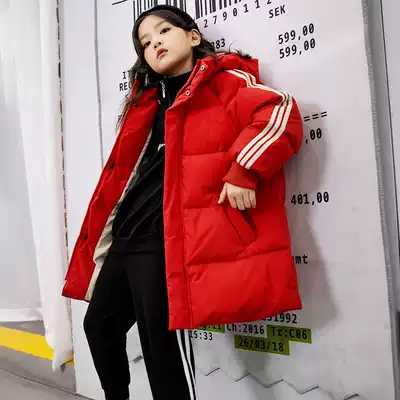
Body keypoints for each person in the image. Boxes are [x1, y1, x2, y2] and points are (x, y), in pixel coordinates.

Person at [62, 5, 303, 400]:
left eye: (163, 32)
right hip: (127, 234)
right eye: (145, 43)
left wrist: (244, 169)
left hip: (167, 238)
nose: (154, 43)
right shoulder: (145, 102)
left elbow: (279, 111)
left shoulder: (224, 81)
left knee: (160, 346)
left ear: (192, 36)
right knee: (99, 326)